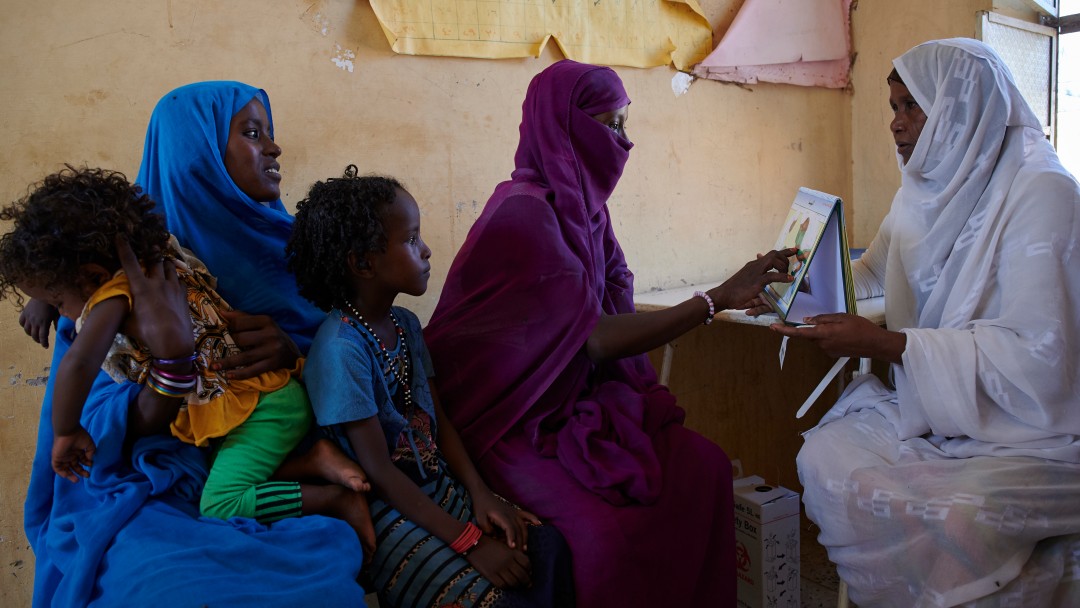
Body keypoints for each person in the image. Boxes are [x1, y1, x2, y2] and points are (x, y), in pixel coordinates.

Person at [423, 59, 797, 607]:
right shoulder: (525, 215)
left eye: (625, 124)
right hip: (507, 419)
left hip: (574, 401)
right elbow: (595, 339)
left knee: (703, 467)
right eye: (610, 125)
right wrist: (716, 298)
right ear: (564, 127)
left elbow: (605, 309)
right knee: (605, 538)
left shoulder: (586, 212)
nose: (624, 143)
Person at [21, 82, 371, 607]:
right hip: (147, 481)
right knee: (162, 584)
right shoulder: (101, 286)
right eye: (253, 134)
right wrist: (171, 363)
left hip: (264, 444)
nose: (274, 149)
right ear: (194, 152)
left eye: (270, 135)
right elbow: (100, 424)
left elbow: (362, 351)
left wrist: (296, 352)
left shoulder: (300, 253)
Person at [769, 39, 1080, 606]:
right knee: (822, 455)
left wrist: (890, 346)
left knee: (964, 519)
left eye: (913, 107)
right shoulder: (922, 190)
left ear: (964, 109)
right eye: (893, 107)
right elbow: (870, 273)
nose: (896, 124)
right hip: (938, 410)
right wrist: (793, 287)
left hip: (1029, 430)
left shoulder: (1044, 194)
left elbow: (1042, 362)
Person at [0, 166, 370, 531]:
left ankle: (332, 499)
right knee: (216, 467)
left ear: (95, 277)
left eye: (59, 302)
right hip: (263, 397)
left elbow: (80, 362)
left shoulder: (112, 298)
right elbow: (79, 269)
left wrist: (65, 431)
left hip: (264, 409)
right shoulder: (162, 252)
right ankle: (313, 461)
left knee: (220, 502)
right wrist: (46, 297)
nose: (65, 316)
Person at [288, 167, 576, 608]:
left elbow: (438, 420)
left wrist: (482, 494)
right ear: (363, 263)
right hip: (385, 512)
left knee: (544, 548)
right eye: (411, 240)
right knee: (497, 600)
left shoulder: (405, 326)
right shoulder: (340, 348)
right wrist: (470, 542)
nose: (426, 251)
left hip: (435, 488)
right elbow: (381, 473)